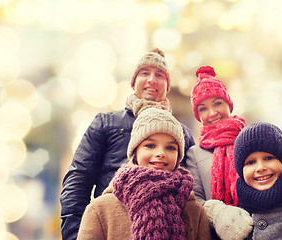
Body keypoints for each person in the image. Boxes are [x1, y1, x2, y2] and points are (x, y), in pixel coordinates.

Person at [186, 65, 282, 240]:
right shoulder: (195, 153)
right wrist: (218, 213)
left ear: (228, 104)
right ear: (197, 115)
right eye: (203, 108)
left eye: (217, 103)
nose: (212, 113)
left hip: (262, 222)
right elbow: (195, 200)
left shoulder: (251, 138)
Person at [60, 48, 195, 240]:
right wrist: (78, 234)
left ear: (167, 86)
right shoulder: (106, 123)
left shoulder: (182, 133)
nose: (151, 80)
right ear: (133, 83)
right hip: (113, 227)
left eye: (159, 75)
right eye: (144, 73)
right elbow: (78, 180)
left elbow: (193, 188)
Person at [76, 108, 211, 239]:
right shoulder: (101, 209)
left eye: (170, 147)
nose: (161, 153)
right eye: (150, 145)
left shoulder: (194, 211)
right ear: (135, 152)